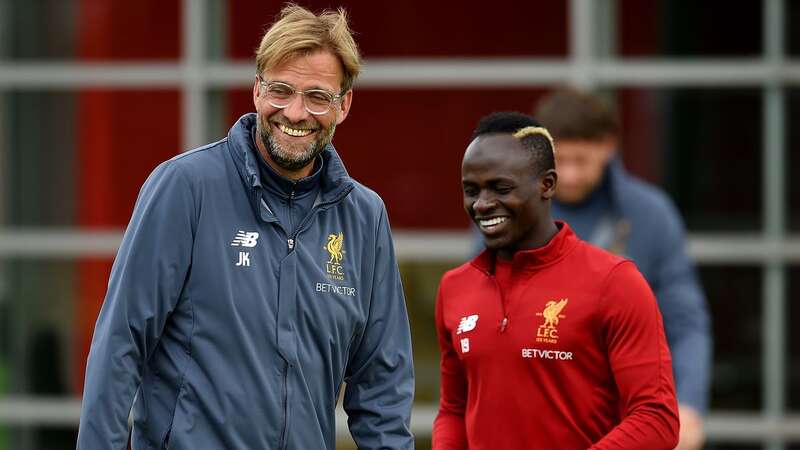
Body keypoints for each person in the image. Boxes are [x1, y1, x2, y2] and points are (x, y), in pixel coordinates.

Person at [76, 5, 414, 450]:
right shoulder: (185, 188)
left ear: (344, 104)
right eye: (281, 90)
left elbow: (382, 387)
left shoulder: (364, 216)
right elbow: (120, 343)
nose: (295, 113)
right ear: (257, 90)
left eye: (318, 96)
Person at [434, 111, 679, 449]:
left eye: (500, 188)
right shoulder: (455, 288)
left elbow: (656, 418)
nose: (483, 204)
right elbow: (454, 409)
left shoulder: (615, 282)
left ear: (547, 184)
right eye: (471, 190)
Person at [535, 88, 711, 450]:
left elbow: (685, 320)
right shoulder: (515, 212)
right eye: (558, 160)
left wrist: (688, 405)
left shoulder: (651, 214)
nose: (567, 175)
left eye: (580, 160)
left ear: (608, 146)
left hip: (628, 420)